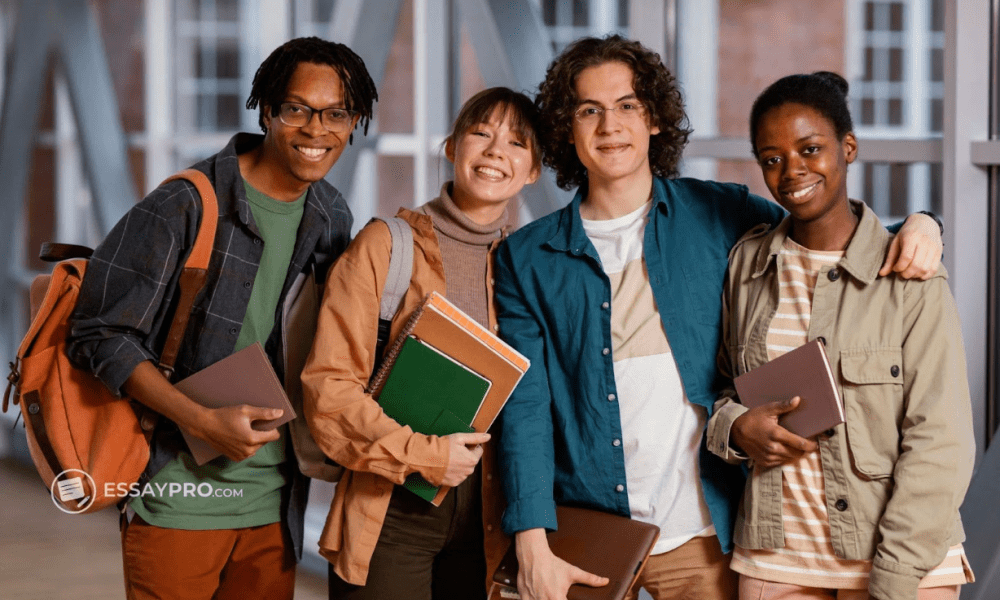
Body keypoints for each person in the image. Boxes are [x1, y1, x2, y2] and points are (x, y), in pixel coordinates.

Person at [492, 35, 945, 600]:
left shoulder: (718, 211)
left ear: (654, 119)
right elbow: (525, 411)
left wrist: (922, 225)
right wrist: (533, 546)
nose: (610, 125)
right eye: (590, 110)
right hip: (588, 531)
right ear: (568, 127)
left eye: (627, 105)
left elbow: (826, 229)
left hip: (707, 535)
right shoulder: (525, 257)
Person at [66, 37, 377, 600]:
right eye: (297, 109)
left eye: (336, 114)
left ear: (354, 121)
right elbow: (100, 332)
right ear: (267, 111)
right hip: (178, 497)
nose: (316, 130)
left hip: (276, 503)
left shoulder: (332, 214)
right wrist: (201, 421)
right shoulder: (184, 205)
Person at [706, 71, 974, 600]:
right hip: (776, 560)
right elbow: (724, 389)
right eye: (772, 158)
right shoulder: (747, 265)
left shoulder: (911, 273)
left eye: (810, 149)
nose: (792, 172)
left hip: (902, 566)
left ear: (848, 147)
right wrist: (735, 429)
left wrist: (894, 580)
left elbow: (939, 441)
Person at [300, 87, 541, 600]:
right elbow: (329, 392)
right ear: (453, 147)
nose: (497, 151)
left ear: (534, 170)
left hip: (491, 517)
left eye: (517, 143)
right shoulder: (385, 247)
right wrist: (425, 455)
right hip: (390, 505)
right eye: (482, 133)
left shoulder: (528, 265)